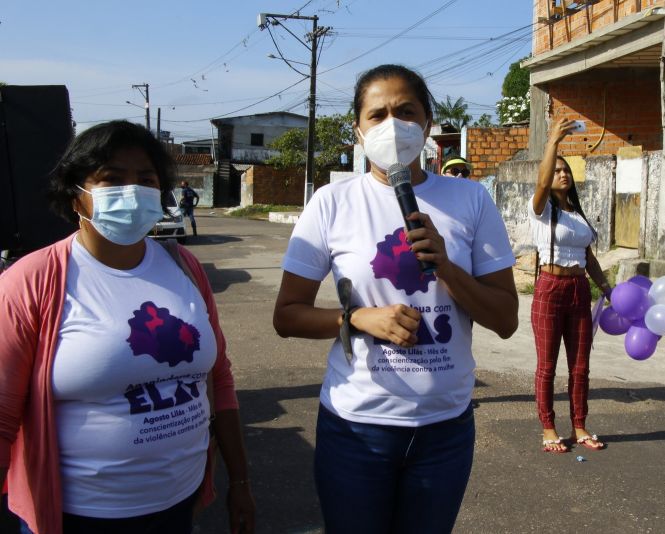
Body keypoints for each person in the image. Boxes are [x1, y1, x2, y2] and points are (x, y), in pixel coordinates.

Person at [273, 64, 518, 533]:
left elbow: (505, 318)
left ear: (427, 125)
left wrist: (446, 266)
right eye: (377, 114)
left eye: (405, 112)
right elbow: (287, 315)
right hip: (356, 426)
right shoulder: (331, 203)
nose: (392, 125)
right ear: (358, 131)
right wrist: (358, 318)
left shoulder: (471, 200)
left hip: (445, 429)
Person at [0, 121, 255, 534]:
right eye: (112, 179)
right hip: (80, 515)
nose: (132, 191)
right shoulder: (33, 280)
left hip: (179, 505)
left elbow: (219, 379)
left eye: (146, 179)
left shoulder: (183, 267)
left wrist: (240, 481)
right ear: (75, 195)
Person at [528, 117, 612, 453]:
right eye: (557, 170)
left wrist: (607, 289)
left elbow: (588, 257)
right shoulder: (541, 209)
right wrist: (553, 143)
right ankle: (548, 427)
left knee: (581, 366)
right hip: (549, 289)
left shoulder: (576, 213)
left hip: (579, 290)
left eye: (567, 171)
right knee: (547, 365)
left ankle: (580, 425)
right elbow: (542, 181)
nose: (562, 174)